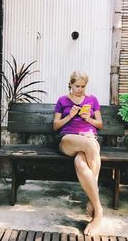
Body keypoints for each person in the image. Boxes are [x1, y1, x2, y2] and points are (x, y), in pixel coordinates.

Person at [53, 70, 103, 236]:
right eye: (77, 86)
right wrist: (71, 116)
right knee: (90, 144)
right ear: (71, 84)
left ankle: (91, 198)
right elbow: (55, 126)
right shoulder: (62, 101)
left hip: (89, 138)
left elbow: (100, 124)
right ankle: (98, 209)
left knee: (80, 163)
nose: (80, 89)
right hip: (68, 140)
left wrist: (88, 119)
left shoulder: (92, 100)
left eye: (83, 86)